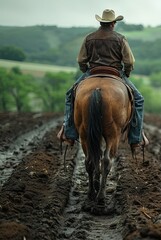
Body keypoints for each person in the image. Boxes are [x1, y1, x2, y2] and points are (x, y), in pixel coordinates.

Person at [57, 9, 149, 153]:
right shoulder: (120, 38)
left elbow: (81, 60)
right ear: (113, 23)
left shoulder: (89, 38)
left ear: (101, 22)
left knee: (70, 95)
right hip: (115, 73)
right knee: (139, 100)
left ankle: (69, 134)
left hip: (92, 72)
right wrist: (126, 73)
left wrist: (85, 71)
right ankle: (135, 139)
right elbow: (129, 61)